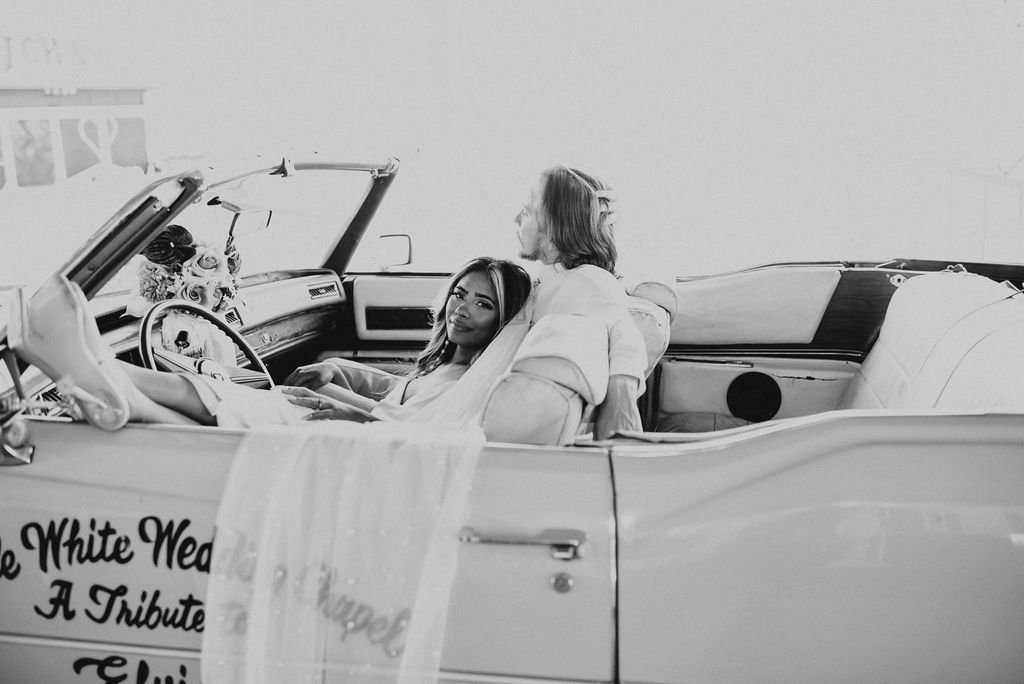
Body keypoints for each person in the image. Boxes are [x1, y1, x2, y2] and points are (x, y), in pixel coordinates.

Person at [8, 257, 532, 430]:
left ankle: (103, 370)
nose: (462, 309)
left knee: (247, 400)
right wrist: (337, 374)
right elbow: (398, 396)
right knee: (246, 401)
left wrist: (341, 406)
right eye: (459, 294)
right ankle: (114, 385)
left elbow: (413, 433)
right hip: (357, 429)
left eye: (483, 305)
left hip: (361, 442)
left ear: (502, 321)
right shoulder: (445, 364)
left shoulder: (471, 382)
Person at [514, 165, 648, 439]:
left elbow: (624, 336)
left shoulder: (588, 280)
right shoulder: (550, 278)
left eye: (526, 212)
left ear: (553, 226)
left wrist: (621, 393)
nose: (516, 218)